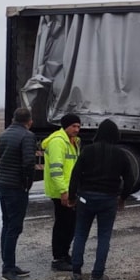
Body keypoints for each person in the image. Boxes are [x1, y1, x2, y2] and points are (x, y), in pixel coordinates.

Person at [67, 119, 130, 280]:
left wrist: (72, 197)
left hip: (85, 198)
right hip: (108, 199)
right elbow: (129, 178)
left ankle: (76, 272)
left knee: (80, 234)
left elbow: (75, 174)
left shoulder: (87, 150)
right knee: (104, 236)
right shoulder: (120, 154)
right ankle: (97, 275)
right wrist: (123, 197)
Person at [0, 108, 37, 280]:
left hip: (2, 183)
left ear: (14, 119)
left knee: (7, 225)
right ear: (29, 121)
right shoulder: (27, 136)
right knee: (14, 228)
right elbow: (28, 163)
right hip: (15, 187)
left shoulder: (4, 134)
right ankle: (8, 269)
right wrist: (27, 183)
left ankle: (9, 264)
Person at [42, 113, 81, 271]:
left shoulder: (73, 142)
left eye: (78, 126)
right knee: (63, 225)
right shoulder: (58, 142)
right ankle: (58, 258)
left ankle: (64, 254)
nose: (76, 129)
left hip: (70, 190)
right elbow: (56, 170)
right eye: (73, 126)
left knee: (70, 224)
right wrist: (63, 191)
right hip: (61, 192)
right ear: (65, 126)